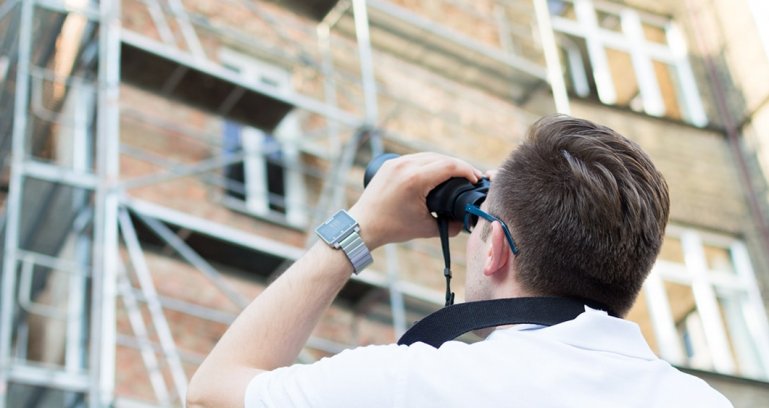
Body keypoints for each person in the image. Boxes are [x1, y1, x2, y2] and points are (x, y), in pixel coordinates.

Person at [186, 115, 732, 407]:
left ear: (493, 245)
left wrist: (359, 229)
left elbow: (212, 393)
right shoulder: (702, 402)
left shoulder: (416, 384)